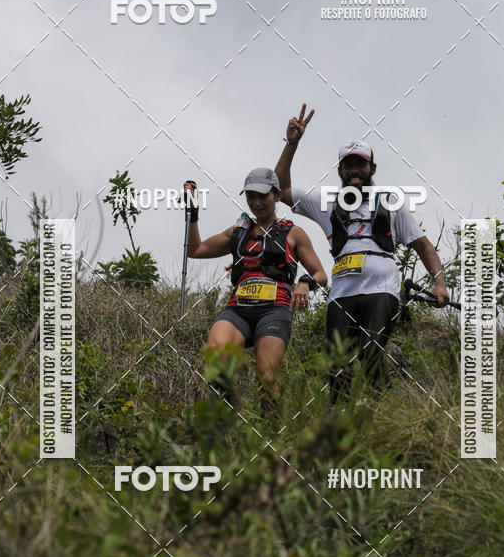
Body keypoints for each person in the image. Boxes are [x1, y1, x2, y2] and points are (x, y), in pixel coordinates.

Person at [274, 104, 450, 400]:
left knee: (371, 353)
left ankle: (381, 416)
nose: (355, 170)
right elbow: (279, 188)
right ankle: (340, 424)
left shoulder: (391, 202)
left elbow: (423, 245)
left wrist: (440, 283)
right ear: (340, 169)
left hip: (382, 289)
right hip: (342, 293)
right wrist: (292, 143)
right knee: (336, 365)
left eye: (361, 164)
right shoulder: (325, 202)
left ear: (372, 168)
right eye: (348, 165)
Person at [186, 167, 327, 402]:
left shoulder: (294, 233)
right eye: (251, 197)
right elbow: (195, 250)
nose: (256, 202)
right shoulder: (238, 232)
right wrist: (192, 211)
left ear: (277, 196)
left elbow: (321, 274)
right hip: (238, 310)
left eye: (263, 196)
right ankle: (231, 418)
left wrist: (305, 282)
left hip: (274, 310)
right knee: (216, 355)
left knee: (267, 377)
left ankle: (272, 435)